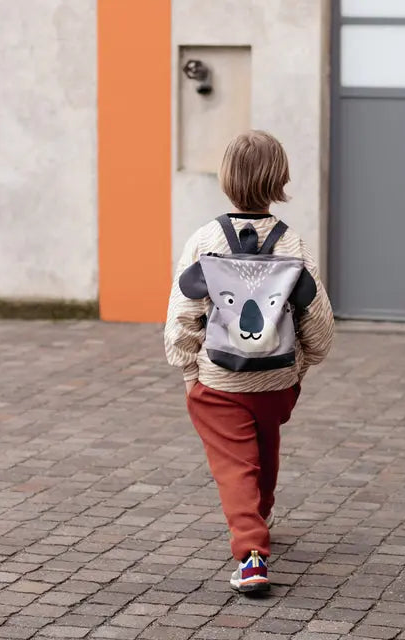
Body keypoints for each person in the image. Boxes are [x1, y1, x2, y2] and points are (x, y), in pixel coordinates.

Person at [164, 130, 334, 593]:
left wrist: (186, 367)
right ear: (280, 179)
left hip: (220, 380)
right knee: (264, 451)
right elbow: (315, 315)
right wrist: (302, 366)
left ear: (225, 179)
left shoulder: (205, 240)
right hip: (277, 379)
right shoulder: (290, 244)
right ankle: (260, 518)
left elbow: (184, 313)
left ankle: (252, 554)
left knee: (235, 465)